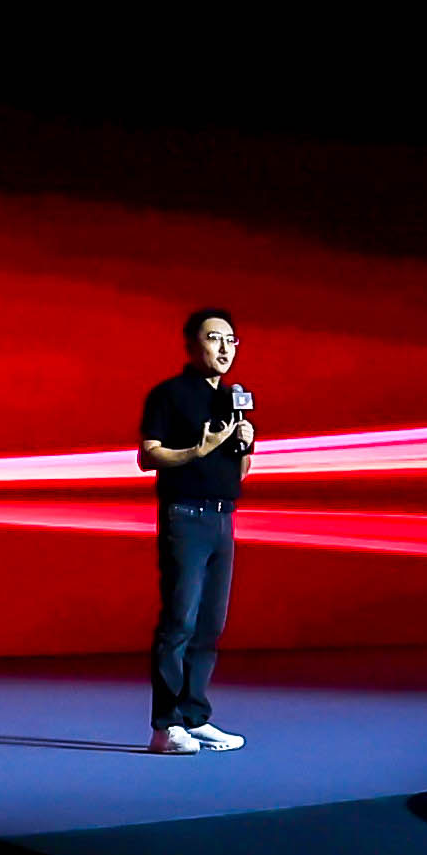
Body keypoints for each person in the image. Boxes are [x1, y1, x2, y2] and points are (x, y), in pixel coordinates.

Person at [137, 307, 252, 755]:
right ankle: (165, 728)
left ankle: (194, 716)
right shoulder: (168, 395)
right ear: (192, 345)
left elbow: (239, 471)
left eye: (231, 340)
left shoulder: (235, 399)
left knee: (210, 626)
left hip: (223, 519)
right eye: (214, 338)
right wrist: (196, 450)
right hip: (185, 517)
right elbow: (148, 455)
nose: (224, 348)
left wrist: (243, 444)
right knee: (179, 623)